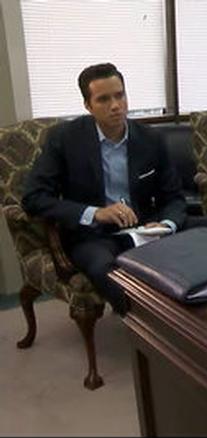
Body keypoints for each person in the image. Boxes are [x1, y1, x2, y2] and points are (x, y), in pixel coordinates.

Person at [22, 63, 197, 315]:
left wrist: (166, 224)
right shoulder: (65, 138)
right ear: (88, 105)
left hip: (146, 228)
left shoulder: (150, 138)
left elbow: (174, 197)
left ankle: (205, 311)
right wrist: (95, 213)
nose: (115, 105)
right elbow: (34, 198)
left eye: (119, 95)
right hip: (93, 236)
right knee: (104, 268)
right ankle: (150, 323)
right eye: (103, 99)